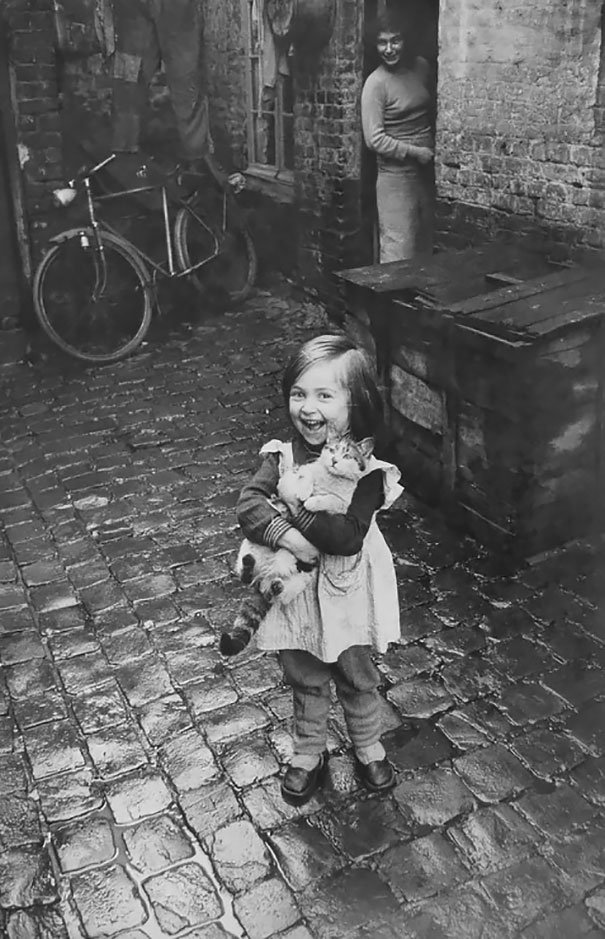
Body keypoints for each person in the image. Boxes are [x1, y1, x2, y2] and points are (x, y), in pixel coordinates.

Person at [236, 334, 403, 805]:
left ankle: (368, 742)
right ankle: (309, 751)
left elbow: (347, 536)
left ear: (356, 403)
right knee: (305, 672)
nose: (308, 408)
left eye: (325, 396)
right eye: (299, 394)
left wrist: (297, 515)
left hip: (348, 591)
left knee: (355, 672)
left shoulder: (367, 472)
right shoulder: (281, 457)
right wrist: (287, 536)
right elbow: (249, 504)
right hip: (299, 599)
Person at [361, 10, 435, 263]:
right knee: (398, 249)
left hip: (425, 173)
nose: (389, 49)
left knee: (425, 243)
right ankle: (389, 303)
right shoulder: (375, 84)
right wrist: (416, 152)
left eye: (395, 40)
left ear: (406, 41)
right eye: (382, 42)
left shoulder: (421, 68)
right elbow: (374, 139)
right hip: (395, 178)